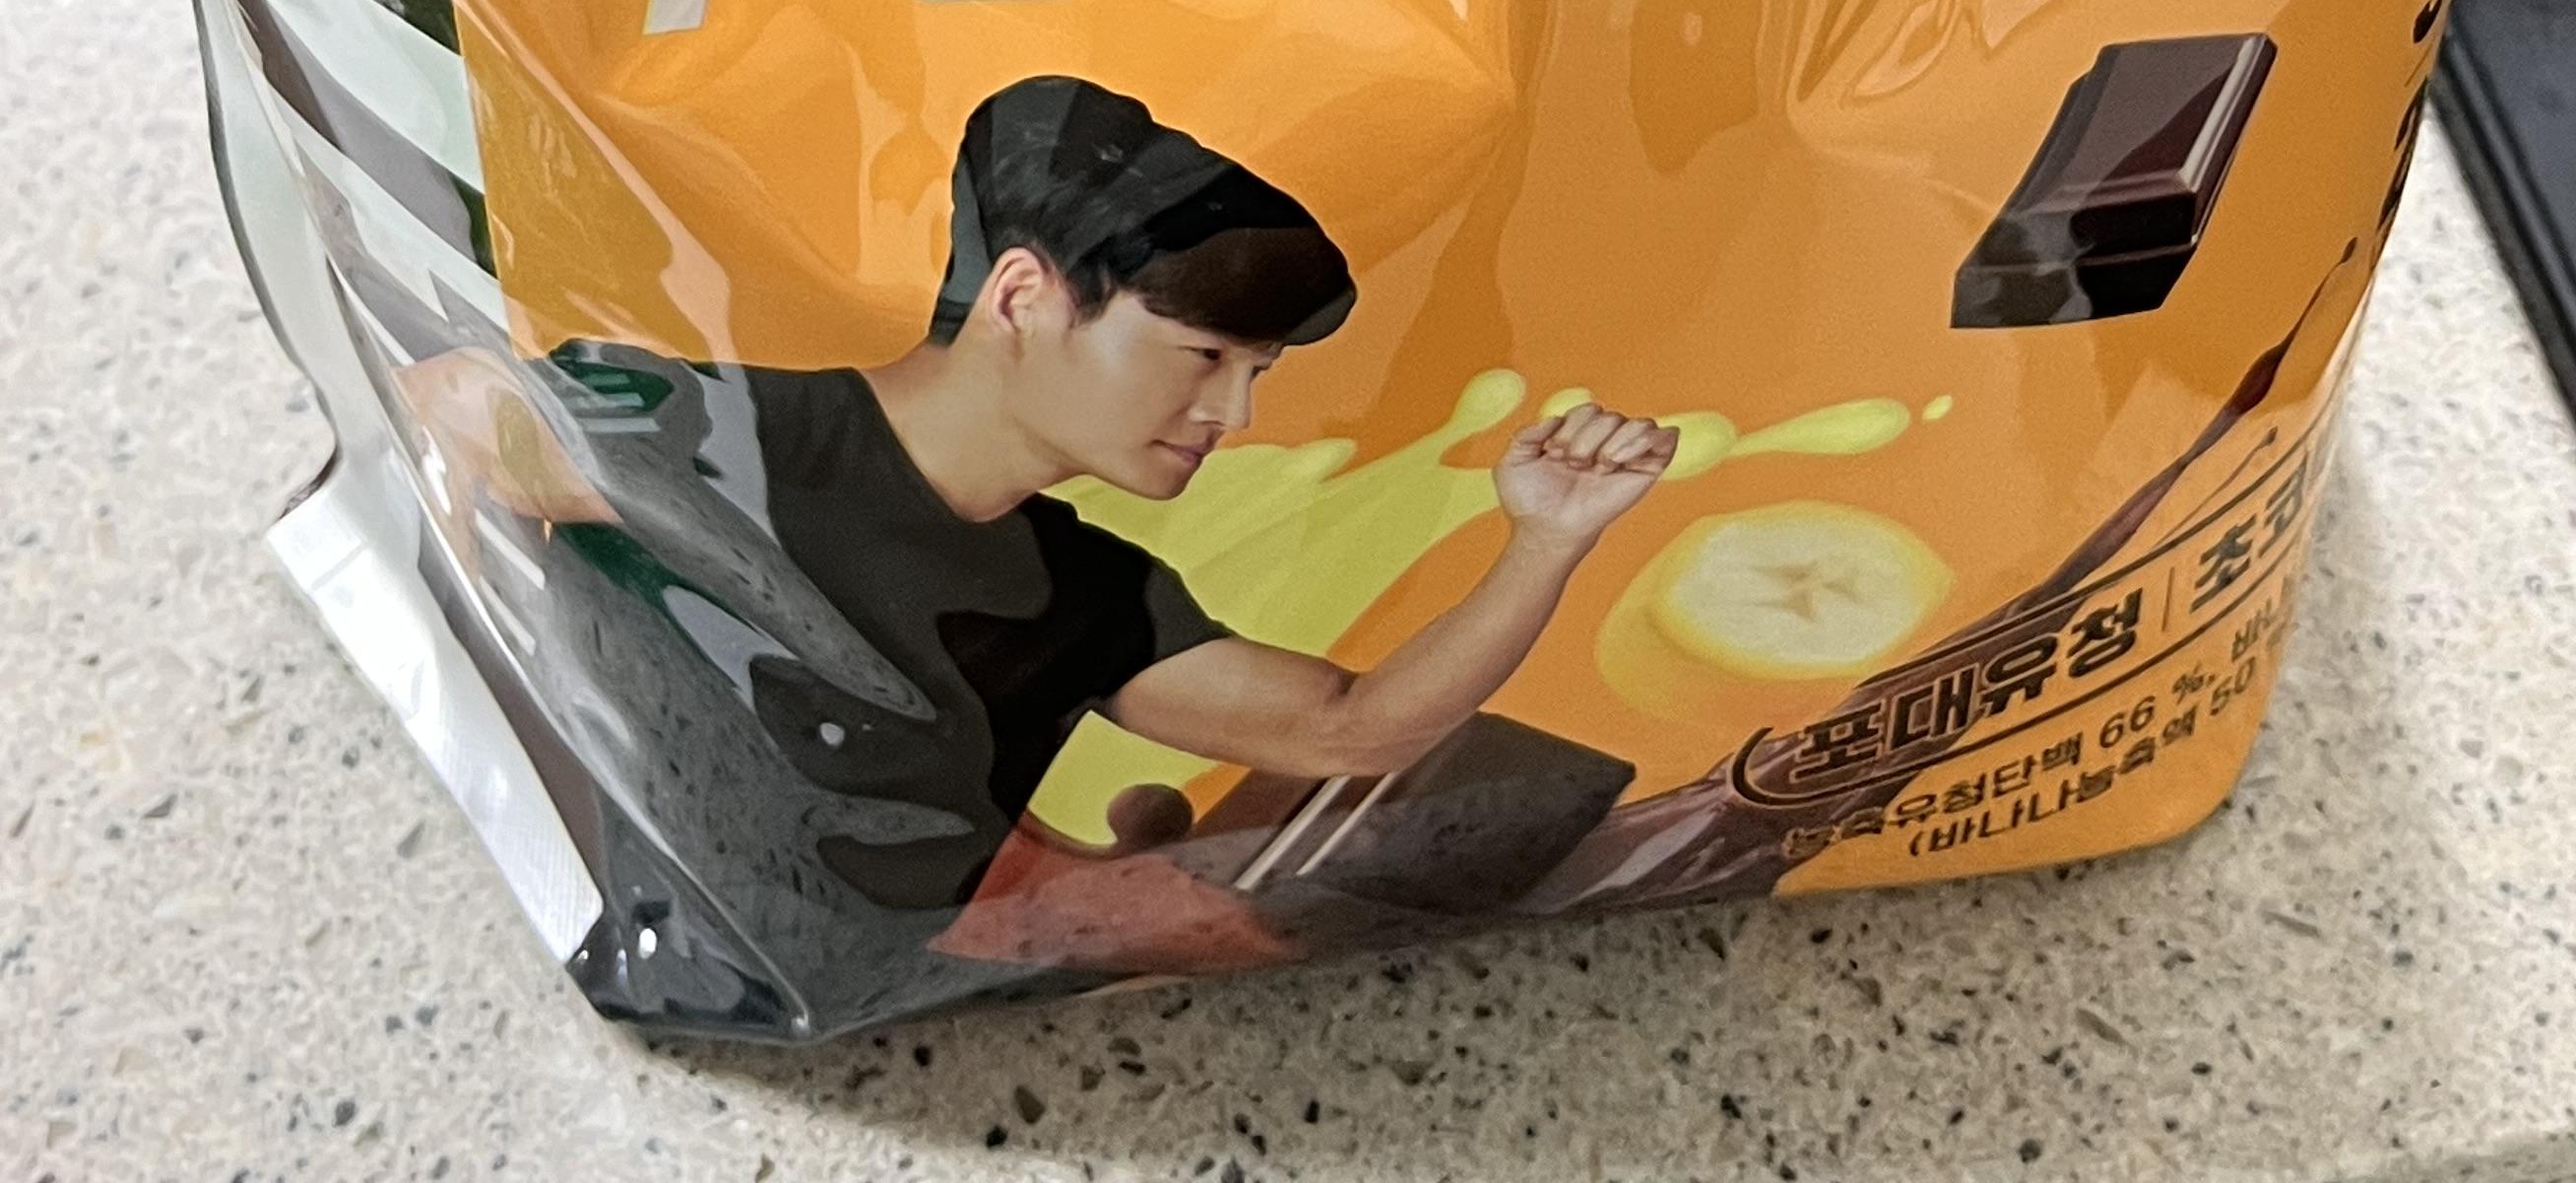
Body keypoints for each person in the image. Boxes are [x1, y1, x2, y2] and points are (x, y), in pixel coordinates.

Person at [401, 73, 1676, 1029]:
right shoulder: (729, 435)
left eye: (1258, 371)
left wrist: (1548, 539)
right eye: (1203, 356)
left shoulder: (1083, 587)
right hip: (608, 984)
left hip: (920, 1025)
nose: (1233, 414)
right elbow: (453, 405)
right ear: (1021, 296)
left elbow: (1350, 730)